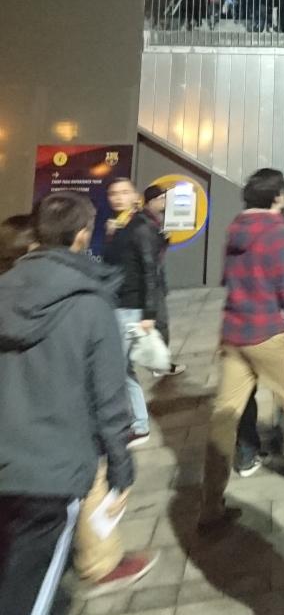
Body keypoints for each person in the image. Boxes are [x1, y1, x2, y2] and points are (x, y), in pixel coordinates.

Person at [0, 192, 134, 615]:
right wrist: (120, 467)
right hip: (52, 476)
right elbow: (109, 399)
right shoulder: (90, 305)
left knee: (31, 587)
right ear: (82, 236)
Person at [200, 168, 284, 528]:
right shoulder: (276, 231)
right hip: (268, 332)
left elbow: (229, 278)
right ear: (276, 196)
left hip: (234, 333)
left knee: (224, 417)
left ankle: (210, 507)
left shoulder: (236, 227)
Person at [103, 177, 162, 447]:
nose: (118, 197)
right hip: (118, 303)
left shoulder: (139, 226)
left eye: (124, 192)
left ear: (135, 196)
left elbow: (150, 270)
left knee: (117, 367)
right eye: (113, 193)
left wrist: (149, 313)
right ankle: (137, 423)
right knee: (122, 367)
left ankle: (136, 424)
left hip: (131, 307)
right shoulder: (119, 225)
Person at [142, 185, 187, 377]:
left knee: (156, 323)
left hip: (155, 277)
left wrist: (164, 240)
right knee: (160, 323)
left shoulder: (155, 220)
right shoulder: (145, 223)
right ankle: (160, 365)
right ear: (151, 201)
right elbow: (148, 255)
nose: (165, 202)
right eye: (162, 198)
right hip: (150, 279)